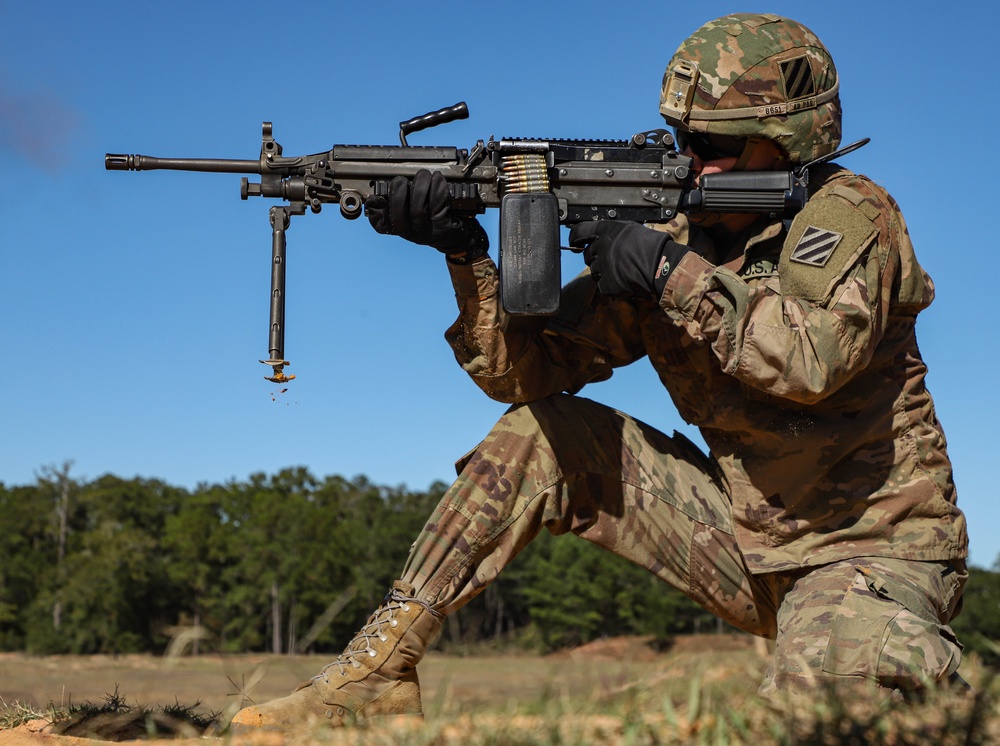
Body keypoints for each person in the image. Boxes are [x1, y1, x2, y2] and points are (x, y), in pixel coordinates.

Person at [231, 13, 968, 730]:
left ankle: (900, 661)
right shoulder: (675, 233)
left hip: (876, 553)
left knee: (821, 706)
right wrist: (464, 254)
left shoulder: (848, 215)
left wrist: (664, 270)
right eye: (683, 139)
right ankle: (374, 675)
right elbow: (524, 375)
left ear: (788, 140)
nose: (692, 159)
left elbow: (809, 361)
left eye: (713, 142)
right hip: (746, 543)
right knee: (541, 435)